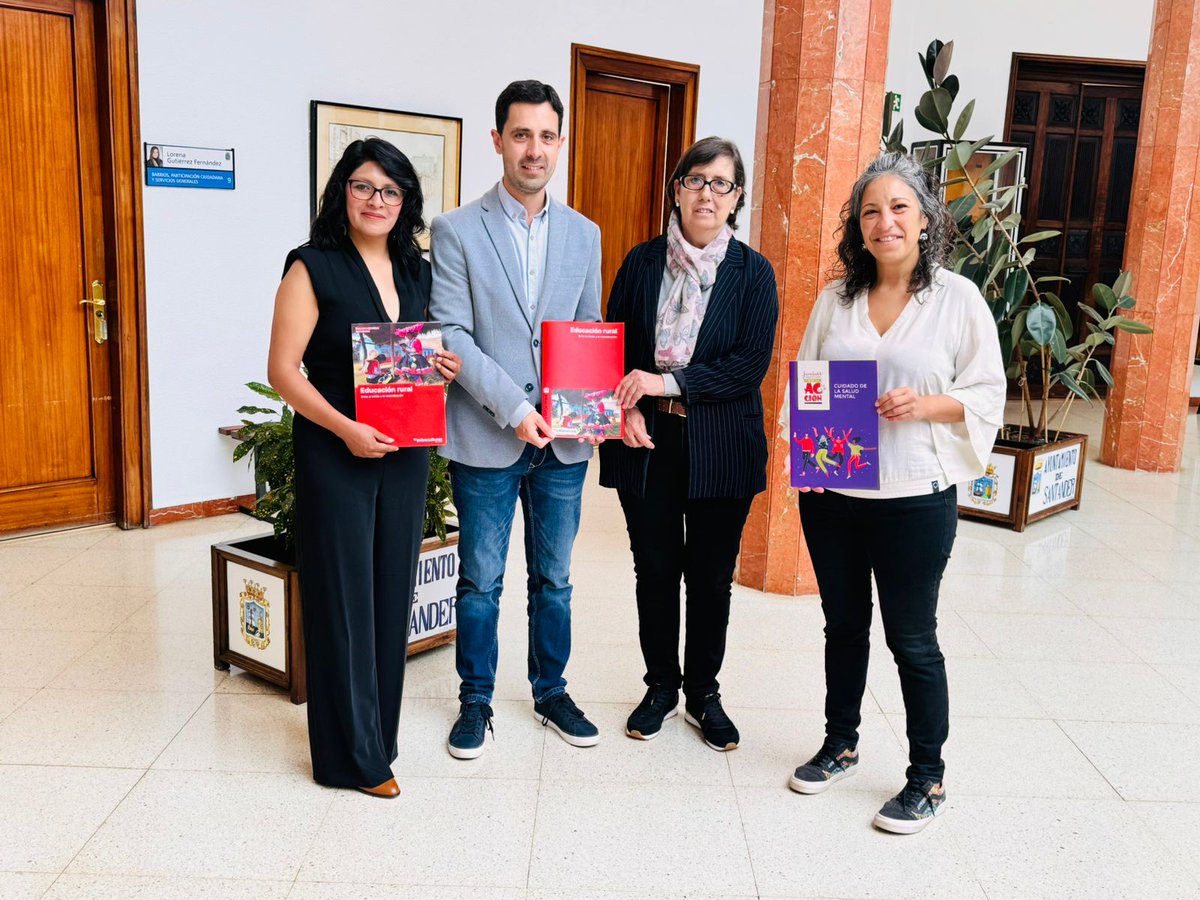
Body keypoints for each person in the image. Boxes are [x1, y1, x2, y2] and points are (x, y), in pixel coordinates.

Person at [786, 152, 1005, 833]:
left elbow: (986, 393)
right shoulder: (836, 299)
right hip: (835, 495)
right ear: (858, 225)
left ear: (925, 217)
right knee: (843, 626)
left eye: (899, 207)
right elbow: (808, 382)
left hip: (915, 496)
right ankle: (840, 742)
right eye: (871, 210)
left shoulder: (957, 300)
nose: (885, 222)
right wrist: (808, 460)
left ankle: (927, 777)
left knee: (912, 638)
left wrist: (927, 404)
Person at [267, 137, 461, 798]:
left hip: (405, 456)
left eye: (390, 190)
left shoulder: (417, 270)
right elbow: (283, 371)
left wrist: (444, 368)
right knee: (342, 601)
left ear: (406, 201)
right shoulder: (312, 266)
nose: (376, 200)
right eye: (363, 186)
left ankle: (379, 736)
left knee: (387, 594)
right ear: (341, 193)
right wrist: (346, 429)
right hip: (336, 451)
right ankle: (351, 759)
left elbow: (420, 352)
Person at [429, 80, 603, 759]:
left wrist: (577, 412)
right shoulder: (455, 230)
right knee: (479, 581)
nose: (535, 149)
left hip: (563, 447)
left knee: (554, 579)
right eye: (522, 134)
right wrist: (518, 408)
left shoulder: (584, 235)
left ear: (560, 144)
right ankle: (476, 701)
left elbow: (586, 331)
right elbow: (452, 336)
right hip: (486, 435)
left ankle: (551, 690)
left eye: (547, 136)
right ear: (497, 140)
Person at [599, 137, 779, 751]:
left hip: (721, 446)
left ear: (736, 198)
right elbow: (613, 346)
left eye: (721, 183)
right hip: (646, 440)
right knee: (654, 570)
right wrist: (625, 410)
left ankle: (703, 691)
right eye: (696, 179)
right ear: (676, 190)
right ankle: (660, 687)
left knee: (709, 577)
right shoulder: (641, 262)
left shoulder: (754, 274)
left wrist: (666, 380)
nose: (707, 192)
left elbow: (747, 366)